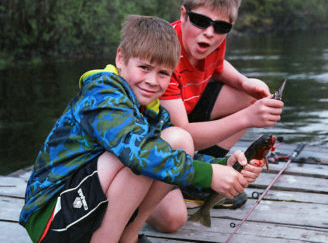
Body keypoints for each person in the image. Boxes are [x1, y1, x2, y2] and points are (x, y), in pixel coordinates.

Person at [19, 15, 265, 243]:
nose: (152, 81)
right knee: (140, 153)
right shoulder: (102, 93)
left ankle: (128, 236)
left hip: (79, 206)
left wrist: (224, 168)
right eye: (144, 67)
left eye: (163, 73)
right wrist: (208, 175)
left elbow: (172, 154)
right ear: (121, 58)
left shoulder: (151, 109)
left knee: (178, 140)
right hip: (51, 218)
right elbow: (138, 152)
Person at [157, 0, 284, 210]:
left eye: (222, 26)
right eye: (200, 21)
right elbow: (182, 132)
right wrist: (248, 118)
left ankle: (206, 174)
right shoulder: (164, 55)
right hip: (161, 138)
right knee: (171, 219)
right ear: (183, 15)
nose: (210, 32)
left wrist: (244, 83)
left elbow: (218, 66)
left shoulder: (213, 39)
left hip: (186, 112)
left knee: (250, 96)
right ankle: (198, 177)